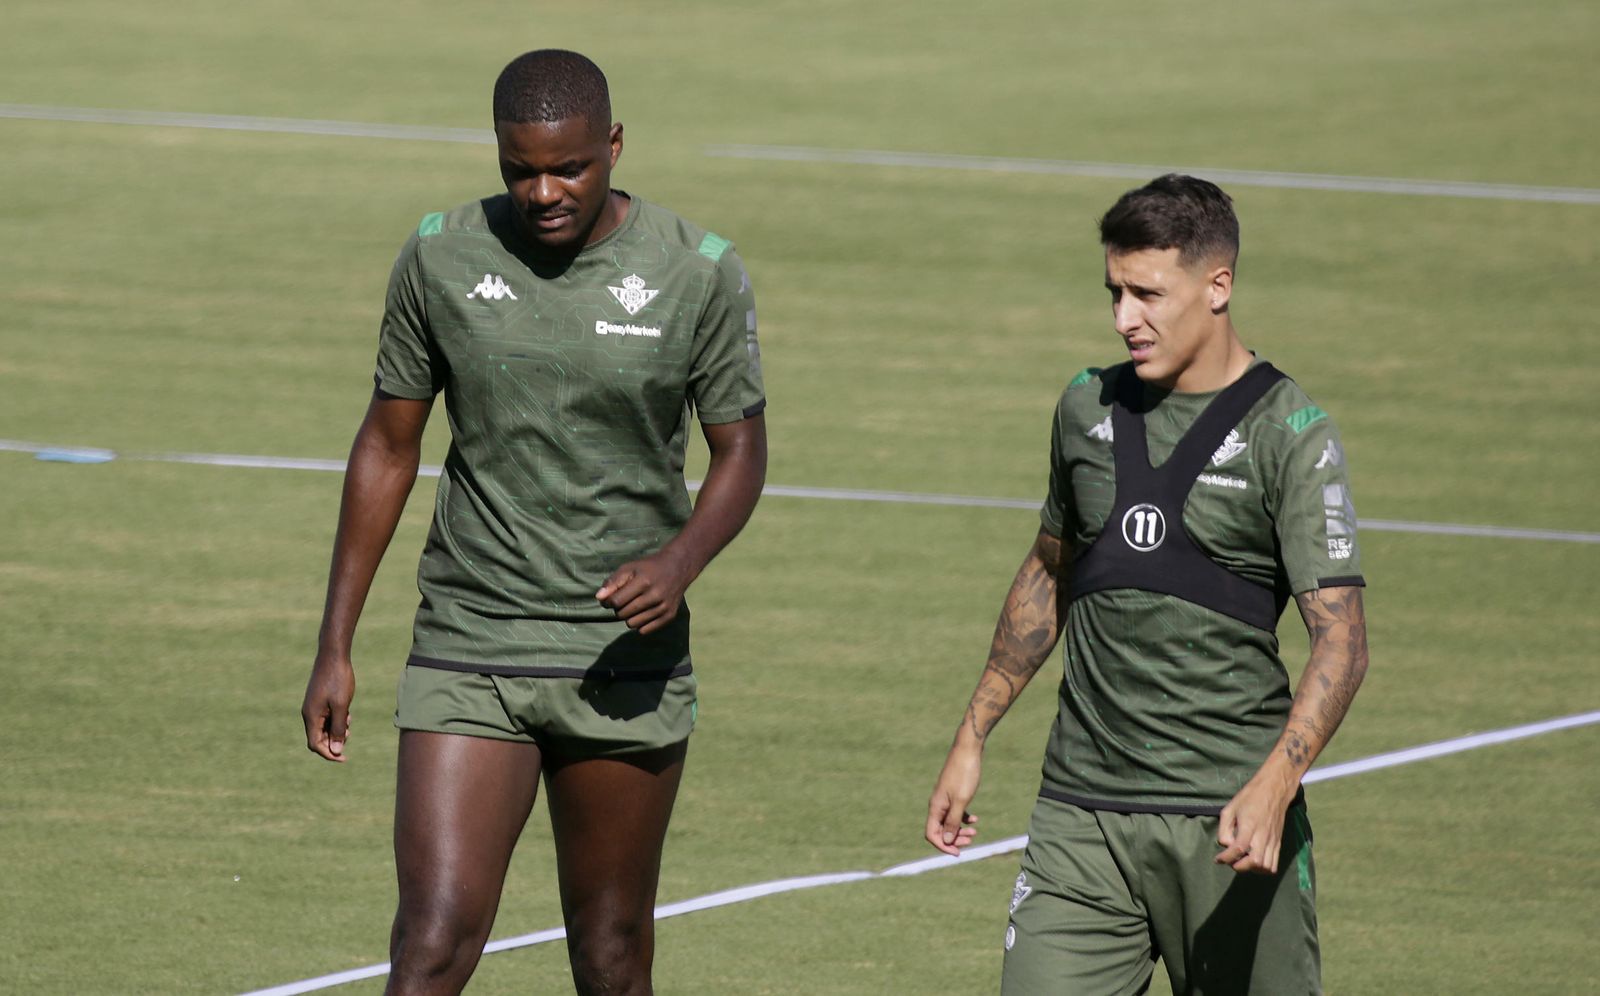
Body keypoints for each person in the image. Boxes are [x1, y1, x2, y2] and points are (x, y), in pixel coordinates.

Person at [300, 49, 766, 995]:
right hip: (470, 643)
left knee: (609, 953)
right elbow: (388, 448)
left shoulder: (697, 271)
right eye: (520, 171)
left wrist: (678, 564)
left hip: (620, 661)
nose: (544, 191)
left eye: (570, 168)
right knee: (429, 945)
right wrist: (335, 641)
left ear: (615, 147)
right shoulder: (440, 253)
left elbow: (741, 453)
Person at [925, 174, 1368, 994]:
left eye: (1148, 294)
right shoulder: (1084, 408)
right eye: (1114, 292)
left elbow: (1341, 638)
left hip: (1231, 826)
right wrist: (972, 734)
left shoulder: (1291, 434)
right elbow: (1047, 572)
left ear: (1218, 286)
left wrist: (1276, 786)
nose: (1124, 317)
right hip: (1080, 819)